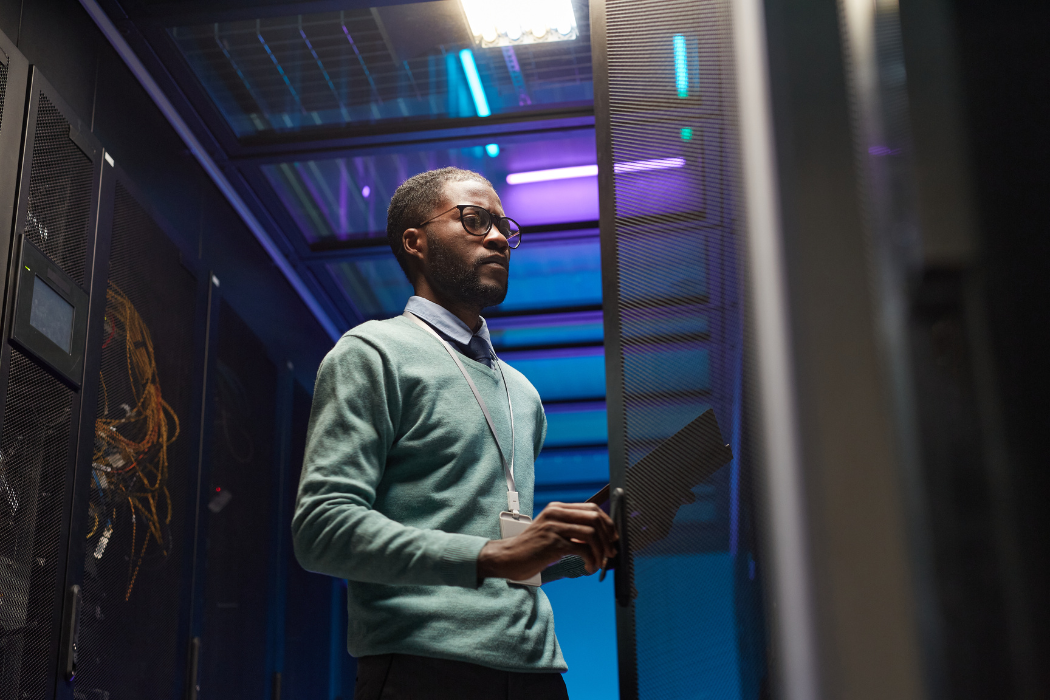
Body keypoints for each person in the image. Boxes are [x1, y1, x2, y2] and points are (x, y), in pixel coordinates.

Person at [292, 167, 618, 700]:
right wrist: (489, 555)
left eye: (503, 227)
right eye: (473, 220)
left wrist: (565, 549)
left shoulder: (523, 394)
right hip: (424, 668)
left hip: (539, 673)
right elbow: (321, 530)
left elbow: (501, 554)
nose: (496, 237)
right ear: (414, 243)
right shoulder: (372, 354)